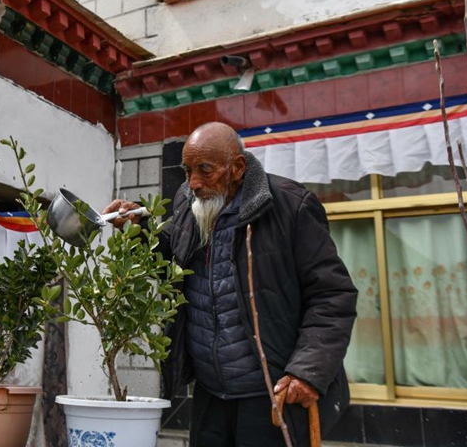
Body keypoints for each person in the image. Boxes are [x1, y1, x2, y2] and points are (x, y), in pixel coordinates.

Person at [103, 122, 357, 446]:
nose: (193, 183)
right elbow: (173, 270)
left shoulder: (290, 206)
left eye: (205, 170)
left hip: (270, 391)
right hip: (210, 392)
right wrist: (141, 229)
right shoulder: (188, 203)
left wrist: (307, 371)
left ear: (237, 167)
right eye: (187, 171)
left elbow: (332, 295)